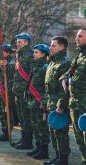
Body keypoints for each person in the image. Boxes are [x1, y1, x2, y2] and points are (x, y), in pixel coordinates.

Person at [59, 28, 86, 165]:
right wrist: (64, 79)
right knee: (78, 136)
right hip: (75, 103)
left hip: (84, 105)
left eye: (80, 36)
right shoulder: (79, 56)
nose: (77, 39)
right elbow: (69, 72)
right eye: (77, 36)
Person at [43, 36, 71, 165]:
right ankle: (57, 157)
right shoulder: (53, 62)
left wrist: (61, 105)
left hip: (60, 104)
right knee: (53, 132)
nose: (50, 47)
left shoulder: (64, 63)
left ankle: (63, 160)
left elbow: (65, 88)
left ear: (61, 47)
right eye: (50, 45)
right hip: (51, 102)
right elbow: (48, 85)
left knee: (61, 133)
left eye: (53, 45)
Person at [25, 44, 50, 159]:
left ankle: (44, 150)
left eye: (36, 52)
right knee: (35, 125)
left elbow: (47, 87)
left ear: (43, 54)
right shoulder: (35, 65)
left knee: (42, 126)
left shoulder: (45, 67)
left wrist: (44, 101)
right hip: (32, 101)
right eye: (34, 52)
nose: (34, 54)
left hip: (40, 102)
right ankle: (38, 147)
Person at [11, 33, 34, 149]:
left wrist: (28, 89)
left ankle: (28, 141)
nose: (17, 43)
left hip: (26, 90)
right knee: (21, 116)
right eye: (17, 41)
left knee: (26, 116)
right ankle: (23, 138)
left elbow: (31, 73)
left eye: (19, 41)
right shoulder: (19, 54)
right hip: (18, 90)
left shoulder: (31, 54)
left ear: (26, 42)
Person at [0, 44, 15, 141]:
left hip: (7, 90)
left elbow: (14, 73)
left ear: (7, 52)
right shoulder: (0, 62)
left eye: (2, 51)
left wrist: (7, 66)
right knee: (1, 111)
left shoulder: (12, 62)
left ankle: (7, 132)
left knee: (6, 111)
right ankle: (4, 130)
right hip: (0, 88)